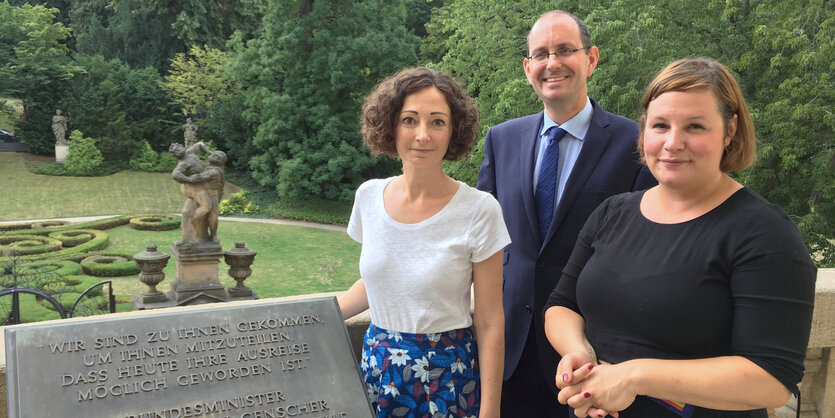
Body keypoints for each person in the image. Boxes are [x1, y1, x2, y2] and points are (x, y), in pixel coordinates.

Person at [543, 57, 817, 418]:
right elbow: (561, 305)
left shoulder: (764, 232)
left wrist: (633, 376)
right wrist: (579, 352)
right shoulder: (613, 213)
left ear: (730, 130)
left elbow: (770, 378)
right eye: (660, 126)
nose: (673, 143)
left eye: (695, 127)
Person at [475, 10, 656, 416]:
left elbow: (647, 253)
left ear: (591, 59)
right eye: (540, 54)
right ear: (527, 68)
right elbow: (478, 237)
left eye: (564, 51)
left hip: (592, 361)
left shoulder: (637, 145)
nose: (551, 63)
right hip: (510, 353)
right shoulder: (501, 140)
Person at [339, 67, 510, 418]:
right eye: (409, 120)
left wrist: (490, 412)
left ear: (453, 131)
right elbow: (380, 284)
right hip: (377, 373)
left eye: (436, 122)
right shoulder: (368, 197)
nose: (422, 135)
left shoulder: (480, 210)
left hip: (447, 378)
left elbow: (490, 321)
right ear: (390, 125)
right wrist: (311, 316)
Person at [170, 141, 213, 245]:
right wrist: (190, 179)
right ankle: (190, 222)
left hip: (196, 185)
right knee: (207, 206)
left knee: (186, 212)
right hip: (192, 187)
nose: (178, 150)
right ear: (175, 156)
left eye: (178, 147)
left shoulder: (190, 152)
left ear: (182, 146)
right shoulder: (183, 163)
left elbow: (200, 144)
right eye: (176, 151)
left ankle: (186, 236)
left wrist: (209, 152)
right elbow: (175, 175)